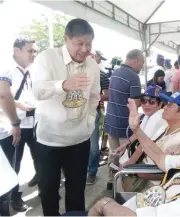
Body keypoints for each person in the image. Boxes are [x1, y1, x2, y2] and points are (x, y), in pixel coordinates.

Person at [31, 18, 100, 216]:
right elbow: (37, 91)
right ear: (66, 39)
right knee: (48, 190)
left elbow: (94, 97)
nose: (85, 49)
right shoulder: (47, 58)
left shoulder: (92, 65)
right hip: (49, 141)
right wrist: (62, 85)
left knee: (77, 190)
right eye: (79, 43)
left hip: (79, 140)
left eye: (89, 44)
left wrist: (88, 123)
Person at [118, 89, 180, 192]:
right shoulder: (166, 126)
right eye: (166, 104)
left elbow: (175, 173)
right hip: (141, 169)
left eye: (170, 105)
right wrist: (135, 128)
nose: (165, 107)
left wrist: (135, 172)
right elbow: (147, 145)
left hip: (154, 186)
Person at [0, 36, 36, 212]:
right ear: (17, 51)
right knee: (14, 165)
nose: (33, 54)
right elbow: (3, 96)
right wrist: (18, 107)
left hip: (31, 123)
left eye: (34, 51)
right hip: (14, 127)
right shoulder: (7, 69)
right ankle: (13, 198)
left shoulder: (29, 71)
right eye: (30, 50)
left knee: (38, 159)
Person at [104, 49, 144, 190]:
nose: (142, 67)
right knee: (124, 154)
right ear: (137, 60)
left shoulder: (115, 72)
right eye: (142, 64)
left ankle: (110, 179)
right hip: (123, 123)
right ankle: (121, 184)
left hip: (110, 120)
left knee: (112, 152)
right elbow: (136, 103)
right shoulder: (133, 77)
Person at [0, 55, 21, 216]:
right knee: (3, 182)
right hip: (2, 134)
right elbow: (4, 94)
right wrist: (15, 123)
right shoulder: (4, 66)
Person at [87, 50, 109, 185]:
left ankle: (92, 172)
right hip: (75, 115)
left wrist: (95, 97)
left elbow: (108, 95)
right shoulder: (74, 73)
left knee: (93, 147)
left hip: (93, 113)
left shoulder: (102, 75)